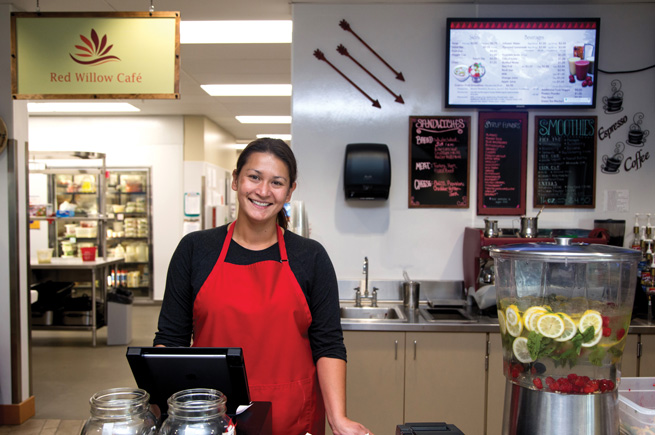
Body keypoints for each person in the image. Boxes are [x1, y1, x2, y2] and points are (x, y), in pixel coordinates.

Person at [154, 138, 372, 435]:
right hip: (210, 416)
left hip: (292, 418)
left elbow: (329, 345)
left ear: (290, 190)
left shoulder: (310, 257)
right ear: (236, 179)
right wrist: (160, 407)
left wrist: (338, 418)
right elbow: (171, 339)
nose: (263, 191)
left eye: (277, 182)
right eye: (254, 177)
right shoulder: (195, 250)